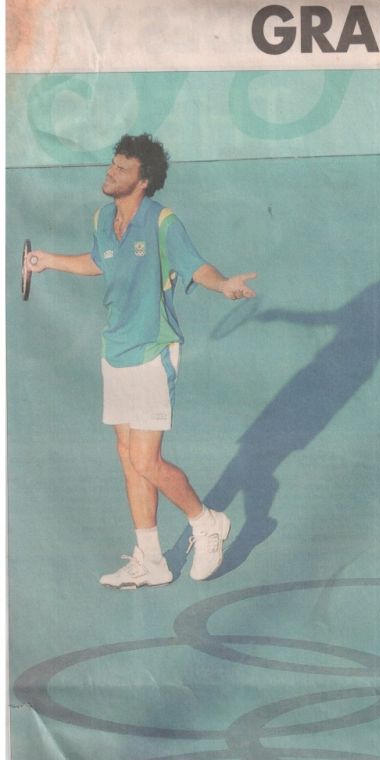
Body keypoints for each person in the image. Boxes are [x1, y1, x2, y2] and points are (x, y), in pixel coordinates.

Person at [26, 133, 257, 589]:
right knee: (128, 457)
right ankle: (151, 560)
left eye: (122, 169)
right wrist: (48, 260)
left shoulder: (163, 222)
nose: (111, 172)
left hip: (153, 350)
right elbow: (100, 261)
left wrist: (223, 284)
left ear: (143, 180)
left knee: (146, 460)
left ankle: (207, 521)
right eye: (112, 164)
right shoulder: (102, 218)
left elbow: (196, 267)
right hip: (115, 350)